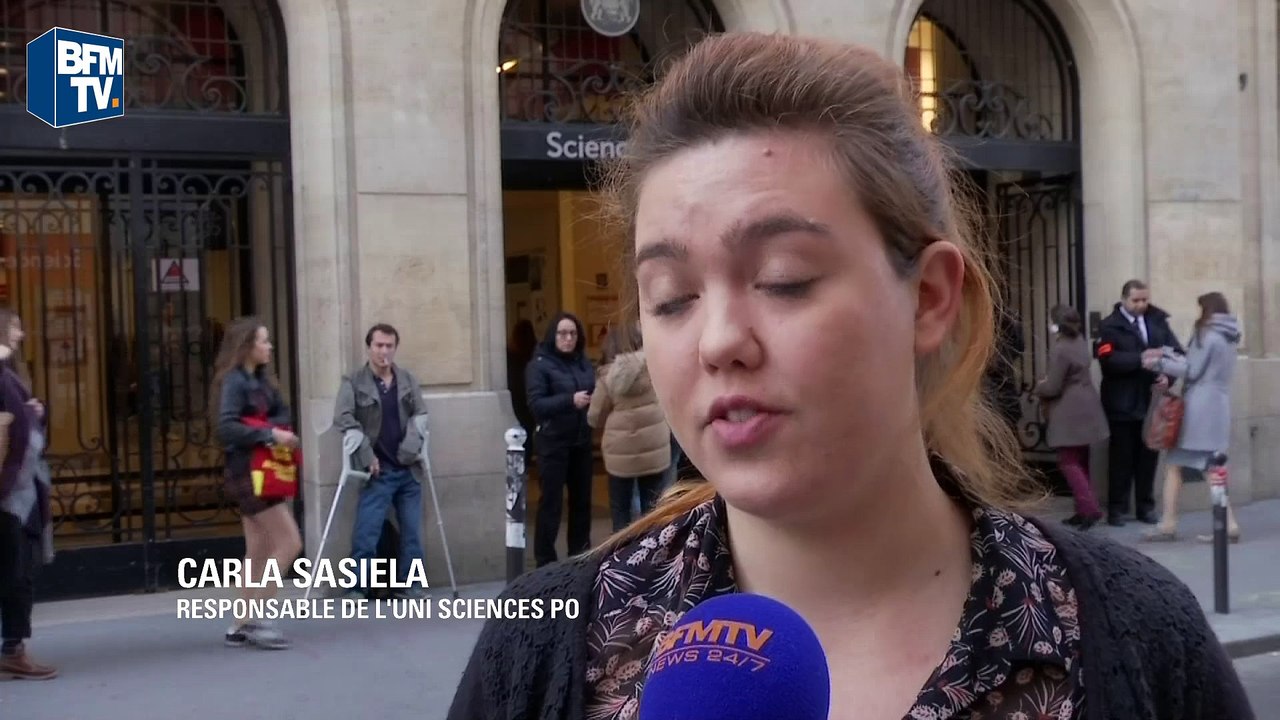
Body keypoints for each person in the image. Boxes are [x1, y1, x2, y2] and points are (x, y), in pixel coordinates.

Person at [447, 33, 1253, 720]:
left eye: (787, 278)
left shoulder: (1137, 639)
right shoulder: (546, 646)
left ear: (929, 297)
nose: (720, 340)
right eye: (672, 298)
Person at [212, 316, 302, 650]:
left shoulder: (262, 380)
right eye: (263, 341)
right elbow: (226, 428)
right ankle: (257, 618)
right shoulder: (236, 381)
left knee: (259, 549)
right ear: (247, 346)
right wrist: (269, 433)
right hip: (249, 471)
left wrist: (274, 428)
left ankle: (238, 625)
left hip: (256, 469)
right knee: (289, 543)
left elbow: (283, 413)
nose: (269, 346)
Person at [332, 323, 431, 600]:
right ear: (369, 347)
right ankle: (357, 586)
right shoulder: (354, 382)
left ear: (395, 348)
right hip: (377, 471)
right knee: (367, 532)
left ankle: (410, 585)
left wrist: (410, 450)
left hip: (407, 469)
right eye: (379, 345)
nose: (384, 351)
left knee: (412, 532)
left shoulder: (407, 380)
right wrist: (365, 453)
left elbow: (420, 415)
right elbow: (343, 417)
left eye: (389, 346)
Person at [1141, 292, 1242, 543]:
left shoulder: (1205, 333)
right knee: (1212, 468)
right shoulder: (1229, 336)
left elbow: (1192, 371)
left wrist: (1159, 363)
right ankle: (1228, 524)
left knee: (1174, 467)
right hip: (1219, 406)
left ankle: (1168, 524)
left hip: (1198, 408)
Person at [1096, 279, 1183, 526]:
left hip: (1152, 401)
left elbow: (1177, 352)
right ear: (1124, 299)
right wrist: (1141, 358)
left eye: (1144, 299)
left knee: (1148, 457)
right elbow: (1108, 360)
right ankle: (1117, 509)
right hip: (1121, 400)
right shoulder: (1109, 326)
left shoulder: (1157, 321)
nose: (1141, 304)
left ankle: (1146, 507)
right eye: (1136, 300)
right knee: (1121, 457)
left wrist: (1169, 376)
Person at [0, 309, 56, 679]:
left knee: (14, 571)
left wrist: (34, 412)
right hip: (11, 493)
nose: (21, 334)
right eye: (16, 327)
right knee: (15, 573)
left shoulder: (9, 377)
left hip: (15, 490)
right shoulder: (3, 376)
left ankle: (13, 647)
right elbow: (13, 434)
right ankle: (13, 649)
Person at [525, 311, 596, 568]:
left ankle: (580, 557)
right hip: (553, 443)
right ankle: (545, 561)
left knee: (581, 503)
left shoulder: (583, 363)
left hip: (580, 441)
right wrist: (570, 400)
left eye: (573, 334)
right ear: (553, 336)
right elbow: (537, 405)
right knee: (551, 504)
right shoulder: (540, 365)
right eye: (563, 333)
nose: (568, 338)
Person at [587, 324, 671, 531]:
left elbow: (594, 417)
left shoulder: (607, 377)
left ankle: (623, 555)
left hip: (620, 454)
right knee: (654, 508)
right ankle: (654, 553)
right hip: (654, 448)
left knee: (620, 509)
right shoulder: (656, 366)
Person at [1034, 304, 1109, 529]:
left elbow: (1054, 386)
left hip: (1069, 410)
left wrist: (1040, 386)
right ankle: (1081, 510)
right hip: (1087, 407)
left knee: (1068, 462)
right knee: (1081, 460)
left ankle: (1090, 509)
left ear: (1055, 324)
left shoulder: (1061, 348)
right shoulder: (1080, 342)